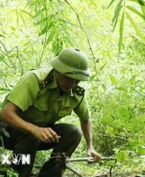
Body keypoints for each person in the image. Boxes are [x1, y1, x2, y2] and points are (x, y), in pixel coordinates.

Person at [0, 47, 101, 177]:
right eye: (68, 78)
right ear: (57, 70)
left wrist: (90, 147)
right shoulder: (35, 80)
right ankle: (17, 172)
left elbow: (85, 119)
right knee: (29, 135)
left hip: (37, 134)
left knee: (73, 133)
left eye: (77, 80)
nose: (72, 83)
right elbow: (5, 114)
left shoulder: (76, 93)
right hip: (7, 131)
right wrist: (35, 130)